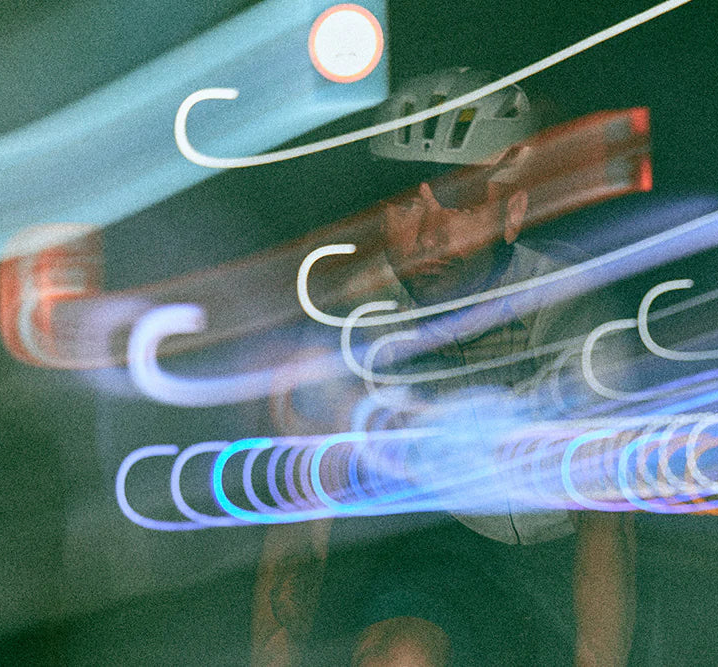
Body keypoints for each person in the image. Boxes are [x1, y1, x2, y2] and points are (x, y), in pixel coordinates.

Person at [251, 68, 638, 666]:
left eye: (459, 201)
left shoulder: (568, 304)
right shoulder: (357, 319)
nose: (428, 237)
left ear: (512, 212)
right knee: (401, 656)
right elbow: (303, 519)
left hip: (565, 552)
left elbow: (605, 527)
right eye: (408, 205)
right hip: (451, 546)